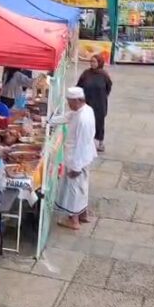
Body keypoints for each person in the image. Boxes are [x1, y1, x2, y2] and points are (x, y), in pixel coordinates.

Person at [53, 87, 97, 230]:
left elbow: (81, 144)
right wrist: (48, 121)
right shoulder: (84, 110)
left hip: (77, 158)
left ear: (78, 100)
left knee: (73, 189)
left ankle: (74, 220)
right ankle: (83, 214)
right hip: (83, 157)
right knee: (82, 186)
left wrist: (76, 167)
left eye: (70, 102)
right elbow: (68, 116)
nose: (69, 105)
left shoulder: (83, 119)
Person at [77, 54, 113, 152]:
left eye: (94, 62)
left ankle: (99, 142)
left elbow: (108, 87)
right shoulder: (86, 74)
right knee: (85, 122)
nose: (92, 63)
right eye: (91, 61)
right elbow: (79, 86)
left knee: (99, 123)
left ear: (99, 63)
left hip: (99, 104)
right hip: (87, 102)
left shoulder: (104, 75)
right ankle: (85, 141)